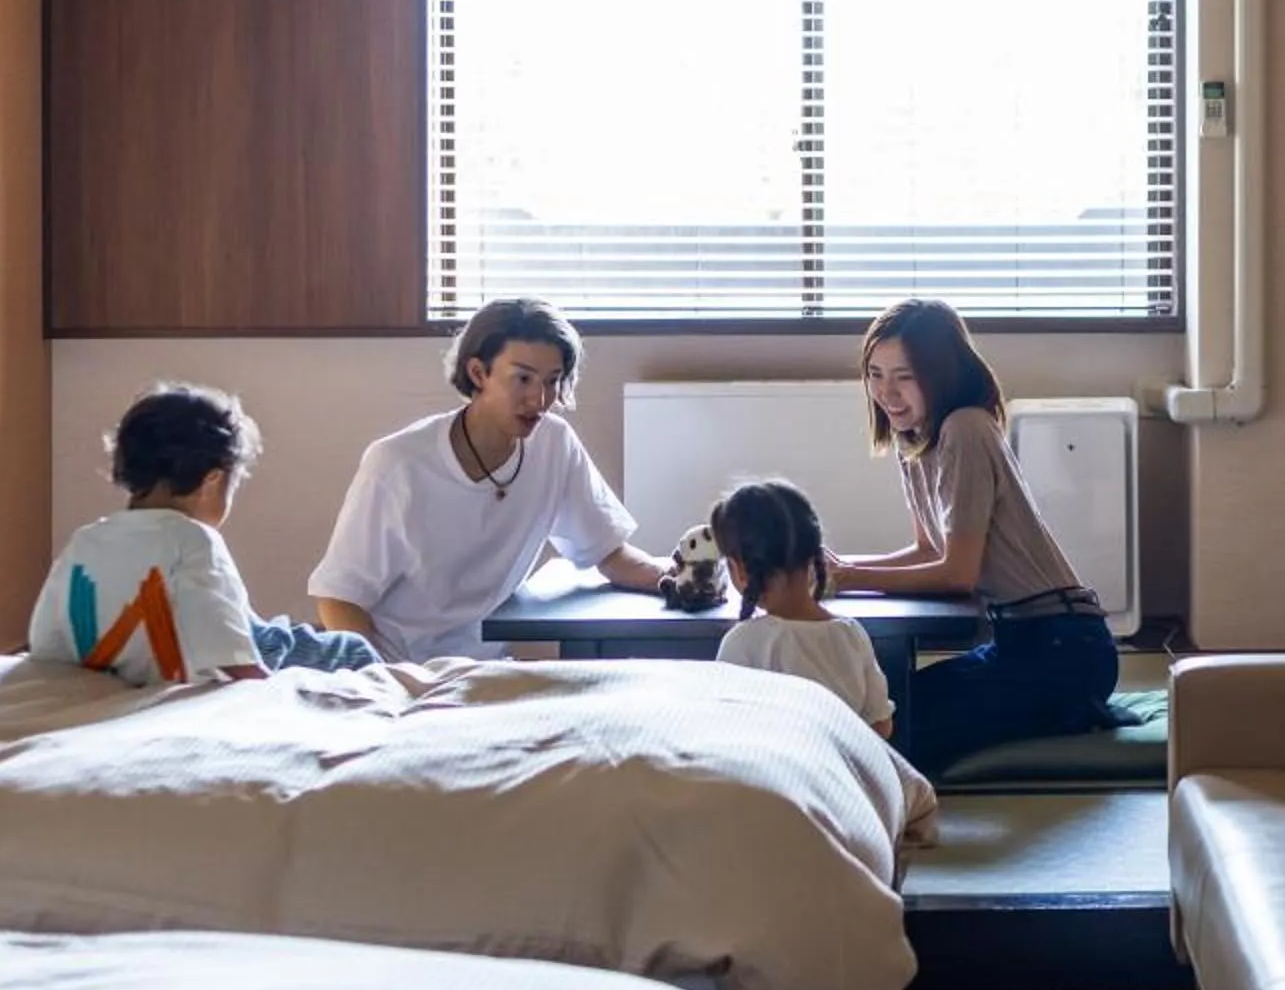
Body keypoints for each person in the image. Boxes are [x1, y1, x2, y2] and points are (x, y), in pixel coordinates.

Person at [827, 298, 1117, 774]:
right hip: (1016, 643)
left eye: (904, 376)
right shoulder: (914, 439)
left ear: (940, 373)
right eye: (875, 374)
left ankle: (1071, 710)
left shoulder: (965, 428)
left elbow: (956, 573)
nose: (887, 393)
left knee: (901, 733)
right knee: (885, 706)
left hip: (1066, 648)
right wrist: (840, 568)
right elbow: (928, 550)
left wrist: (849, 576)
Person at [308, 298, 669, 662]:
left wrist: (680, 578)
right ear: (479, 373)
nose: (540, 399)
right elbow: (339, 599)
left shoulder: (554, 444)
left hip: (484, 670)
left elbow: (608, 552)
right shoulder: (398, 464)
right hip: (397, 667)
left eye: (552, 381)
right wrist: (386, 679)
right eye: (523, 378)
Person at [30, 384, 379, 687]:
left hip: (134, 659)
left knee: (282, 630)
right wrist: (269, 692)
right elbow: (234, 653)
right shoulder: (193, 541)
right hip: (239, 642)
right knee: (350, 649)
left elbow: (45, 643)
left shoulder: (84, 540)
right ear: (213, 481)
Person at [708, 479, 893, 737]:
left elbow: (724, 729)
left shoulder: (743, 644)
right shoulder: (851, 635)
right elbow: (882, 725)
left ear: (738, 569)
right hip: (841, 774)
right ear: (813, 556)